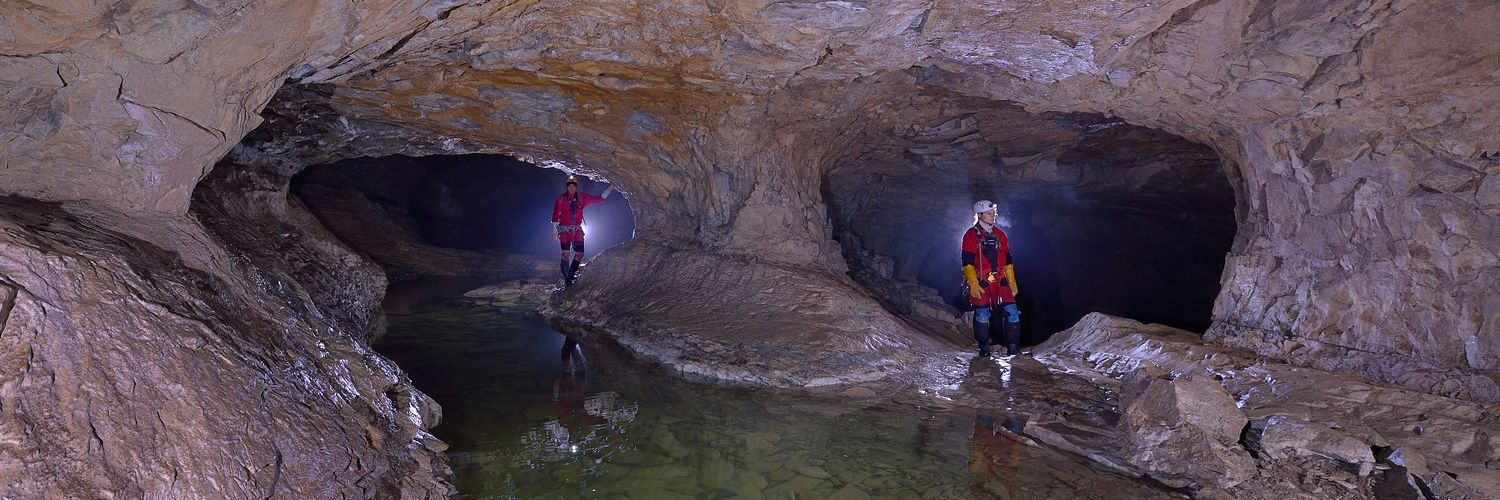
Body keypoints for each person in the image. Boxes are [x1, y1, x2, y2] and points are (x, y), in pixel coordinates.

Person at [961, 200, 1021, 357]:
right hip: (981, 280)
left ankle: (1013, 349)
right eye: (989, 213)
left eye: (994, 212)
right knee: (982, 314)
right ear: (980, 215)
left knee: (1012, 312)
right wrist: (973, 282)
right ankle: (984, 349)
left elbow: (1008, 260)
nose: (993, 215)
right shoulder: (971, 235)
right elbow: (967, 262)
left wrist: (1012, 282)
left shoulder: (1000, 234)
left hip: (1000, 279)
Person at [551, 175, 614, 287]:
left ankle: (570, 276)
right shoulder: (561, 198)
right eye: (569, 185)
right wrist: (554, 231)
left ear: (576, 186)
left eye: (573, 185)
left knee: (579, 254)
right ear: (567, 187)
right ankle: (565, 277)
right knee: (566, 254)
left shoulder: (582, 197)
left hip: (577, 230)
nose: (571, 187)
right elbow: (555, 215)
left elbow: (599, 199)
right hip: (565, 231)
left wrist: (610, 188)